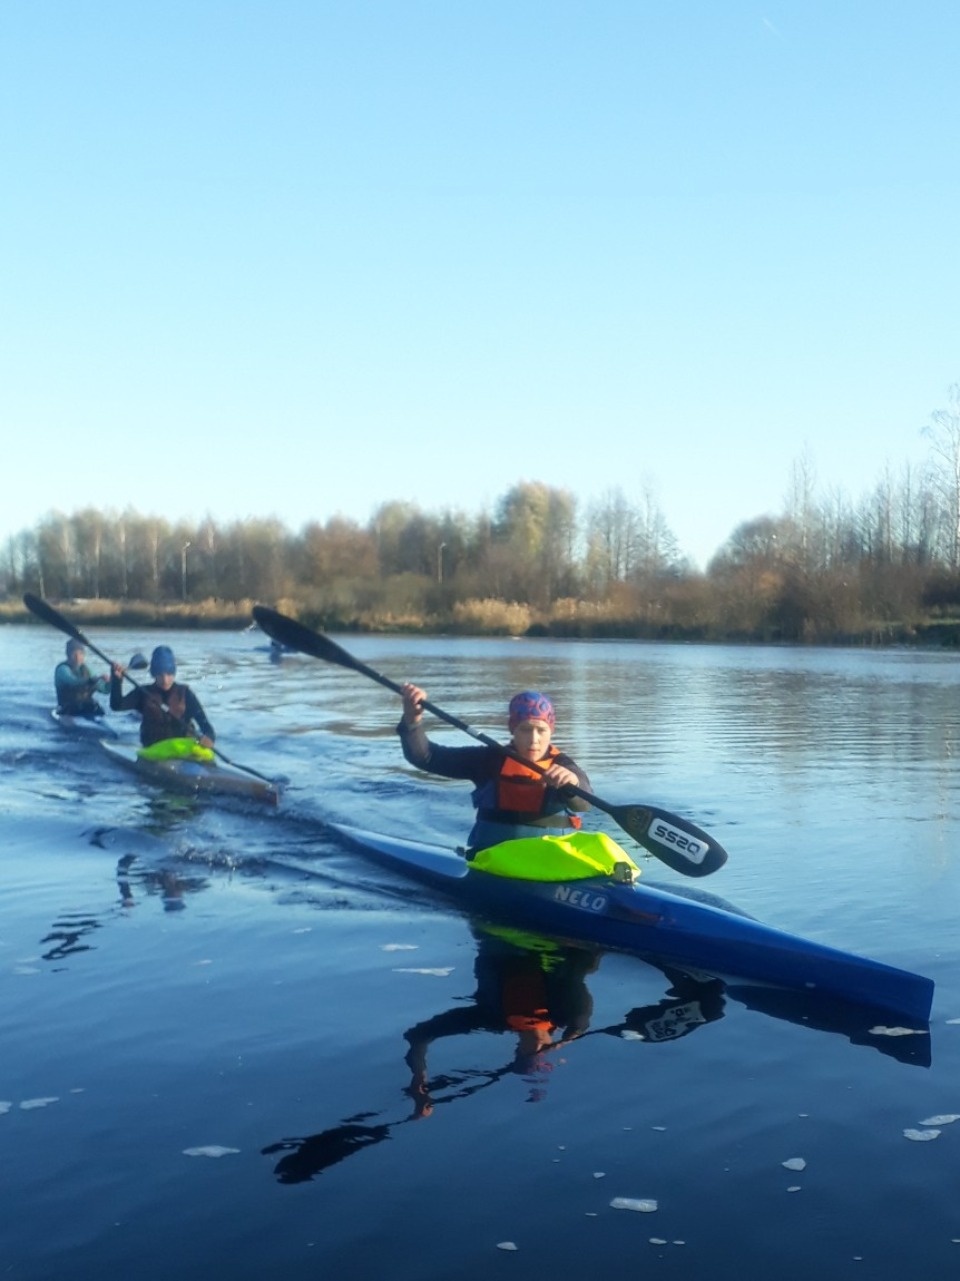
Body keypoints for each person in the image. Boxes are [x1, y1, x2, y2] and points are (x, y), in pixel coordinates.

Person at [398, 684, 591, 853]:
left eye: (541, 730)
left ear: (551, 730)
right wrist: (412, 719)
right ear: (512, 728)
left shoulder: (564, 766)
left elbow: (584, 803)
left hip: (550, 863)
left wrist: (572, 783)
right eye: (525, 729)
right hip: (492, 862)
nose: (534, 739)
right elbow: (426, 757)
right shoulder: (488, 760)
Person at [110, 645, 216, 749]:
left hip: (183, 748)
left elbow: (206, 727)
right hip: (154, 750)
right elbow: (116, 705)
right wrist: (116, 681)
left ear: (174, 673)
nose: (165, 680)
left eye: (169, 674)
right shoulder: (143, 693)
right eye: (160, 675)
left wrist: (209, 738)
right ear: (154, 674)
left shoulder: (186, 694)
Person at [54, 639, 109, 719]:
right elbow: (73, 682)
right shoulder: (62, 669)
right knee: (72, 708)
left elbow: (105, 690)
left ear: (84, 655)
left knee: (96, 708)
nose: (77, 657)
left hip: (87, 707)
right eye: (74, 654)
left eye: (80, 654)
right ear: (68, 655)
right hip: (67, 709)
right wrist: (93, 679)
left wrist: (113, 682)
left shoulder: (88, 670)